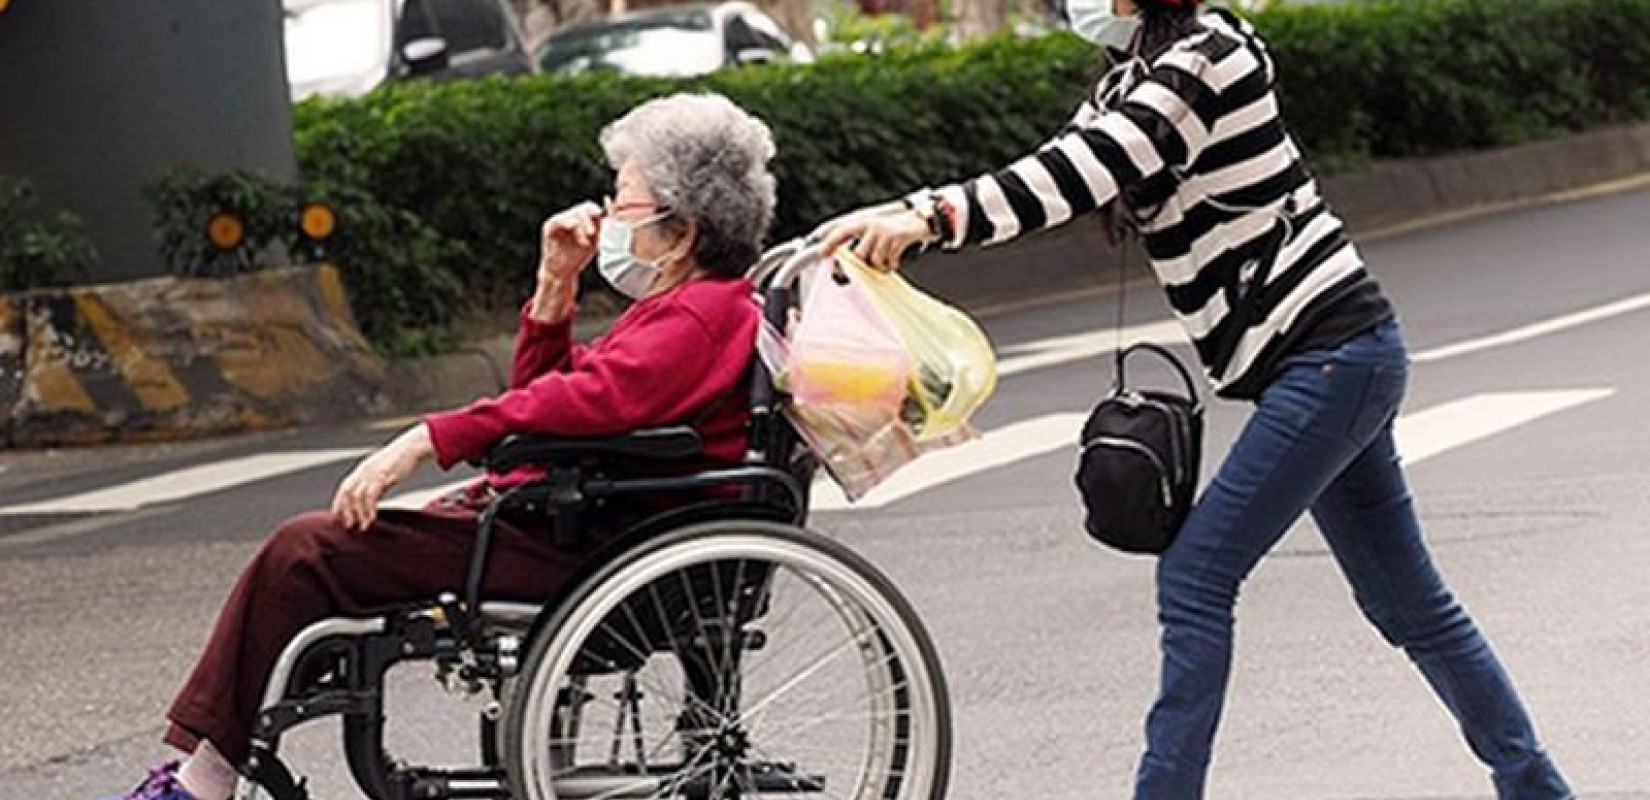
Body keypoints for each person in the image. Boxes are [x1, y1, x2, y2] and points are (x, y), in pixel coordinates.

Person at [818, 1, 1575, 798]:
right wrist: (902, 214)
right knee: (1410, 607)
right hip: (1329, 362)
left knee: (1197, 578)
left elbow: (1095, 163)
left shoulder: (1209, 52)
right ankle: (1538, 788)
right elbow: (1058, 163)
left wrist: (931, 216)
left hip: (1332, 357)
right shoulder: (1135, 71)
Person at [97, 92, 776, 800]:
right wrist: (554, 285)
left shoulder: (698, 316)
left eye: (624, 201)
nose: (607, 215)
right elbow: (546, 405)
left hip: (591, 542)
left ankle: (204, 780)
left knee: (305, 553)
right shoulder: (684, 308)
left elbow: (577, 402)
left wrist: (426, 439)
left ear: (682, 229)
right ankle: (217, 759)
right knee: (315, 558)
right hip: (579, 522)